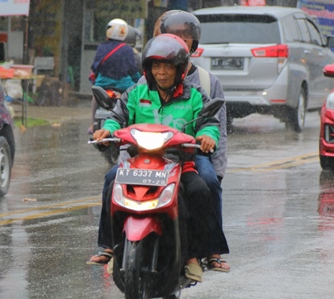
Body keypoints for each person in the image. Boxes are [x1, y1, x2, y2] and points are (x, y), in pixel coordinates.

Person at [87, 33, 228, 282]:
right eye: (156, 66)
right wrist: (107, 129)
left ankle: (194, 256)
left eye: (167, 66)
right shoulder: (135, 93)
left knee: (199, 191)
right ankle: (109, 246)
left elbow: (209, 123)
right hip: (138, 162)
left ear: (180, 70)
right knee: (111, 181)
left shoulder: (195, 95)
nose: (161, 72)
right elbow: (116, 117)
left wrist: (207, 136)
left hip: (179, 163)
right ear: (148, 69)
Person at [153, 10, 230, 272]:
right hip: (151, 152)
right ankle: (113, 246)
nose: (180, 42)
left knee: (207, 182)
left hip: (192, 154)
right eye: (173, 36)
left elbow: (216, 126)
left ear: (193, 44)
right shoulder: (147, 80)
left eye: (186, 38)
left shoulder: (208, 82)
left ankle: (211, 248)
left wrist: (217, 168)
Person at [88, 18, 141, 134]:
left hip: (102, 83)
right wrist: (140, 82)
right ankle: (135, 124)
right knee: (136, 96)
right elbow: (133, 71)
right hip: (124, 84)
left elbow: (95, 67)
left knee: (95, 97)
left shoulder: (102, 47)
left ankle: (92, 124)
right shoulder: (128, 50)